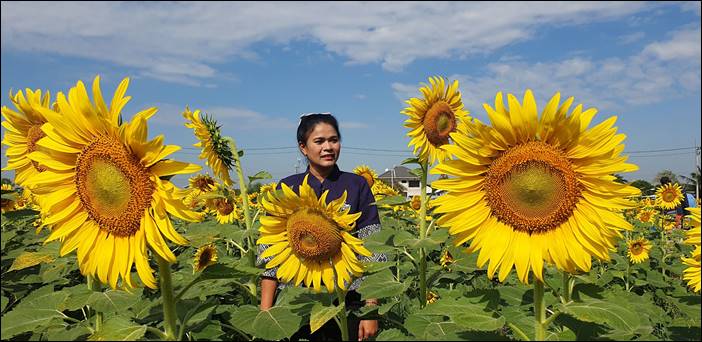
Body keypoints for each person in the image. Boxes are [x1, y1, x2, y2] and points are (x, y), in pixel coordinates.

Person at [258, 113, 384, 341]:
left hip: (349, 297)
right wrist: (267, 312)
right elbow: (270, 256)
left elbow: (374, 249)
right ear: (303, 148)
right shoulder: (288, 188)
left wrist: (371, 309)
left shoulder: (355, 185)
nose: (328, 147)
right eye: (319, 141)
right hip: (298, 298)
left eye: (333, 140)